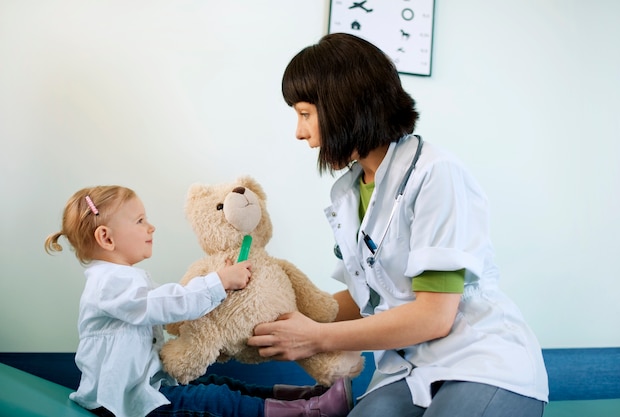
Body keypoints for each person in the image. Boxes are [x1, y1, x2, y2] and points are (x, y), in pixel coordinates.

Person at [248, 33, 549, 417]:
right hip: (404, 370)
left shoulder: (435, 174)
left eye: (305, 113)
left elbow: (434, 316)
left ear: (345, 106)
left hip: (480, 360)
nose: (300, 131)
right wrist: (273, 309)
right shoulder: (347, 193)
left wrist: (316, 338)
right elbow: (367, 299)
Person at [45, 185, 352, 417]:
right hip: (125, 404)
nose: (150, 227)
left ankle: (298, 397)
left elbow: (164, 304)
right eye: (140, 221)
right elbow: (164, 305)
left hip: (146, 388)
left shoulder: (119, 279)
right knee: (214, 399)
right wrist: (219, 282)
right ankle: (309, 411)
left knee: (218, 383)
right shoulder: (108, 284)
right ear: (107, 238)